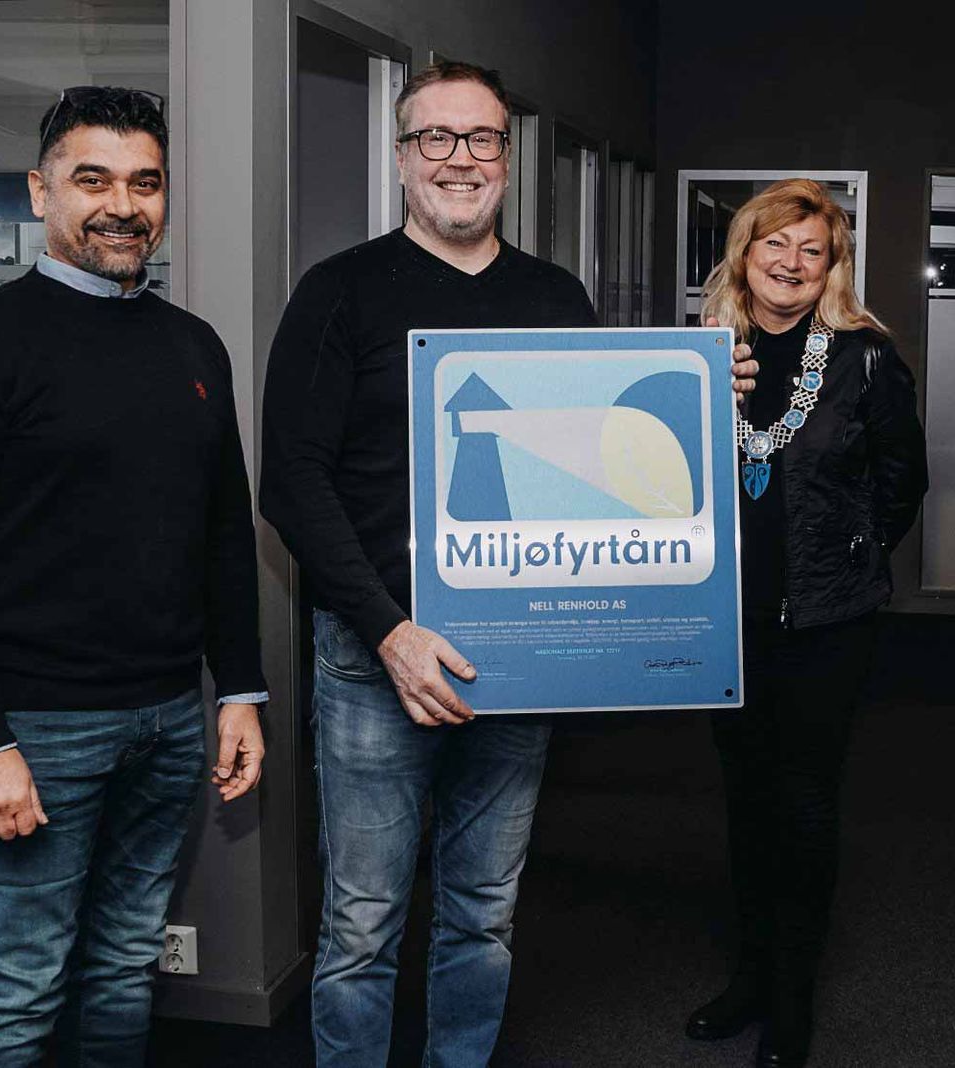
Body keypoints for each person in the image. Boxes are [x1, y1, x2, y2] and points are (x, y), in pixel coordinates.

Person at [259, 60, 756, 1067]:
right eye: (435, 138)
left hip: (516, 658)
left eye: (481, 138)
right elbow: (292, 484)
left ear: (506, 158)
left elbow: (598, 462)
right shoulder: (338, 293)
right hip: (376, 653)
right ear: (402, 159)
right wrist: (389, 631)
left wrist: (710, 395)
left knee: (482, 911)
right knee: (360, 924)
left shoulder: (553, 296)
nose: (460, 159)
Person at [0, 86, 268, 1066]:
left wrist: (240, 689)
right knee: (19, 988)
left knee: (119, 974)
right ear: (40, 190)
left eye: (145, 182)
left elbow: (225, 530)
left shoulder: (192, 345)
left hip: (168, 722)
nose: (122, 205)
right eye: (91, 178)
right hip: (38, 731)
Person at [682, 179, 927, 1068]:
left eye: (809, 250)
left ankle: (793, 998)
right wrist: (706, 394)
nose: (789, 263)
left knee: (804, 806)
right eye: (772, 245)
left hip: (828, 624)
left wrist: (851, 559)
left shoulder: (864, 357)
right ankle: (750, 974)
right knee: (745, 803)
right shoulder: (701, 354)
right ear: (744, 253)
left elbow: (904, 481)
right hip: (727, 621)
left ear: (832, 265)